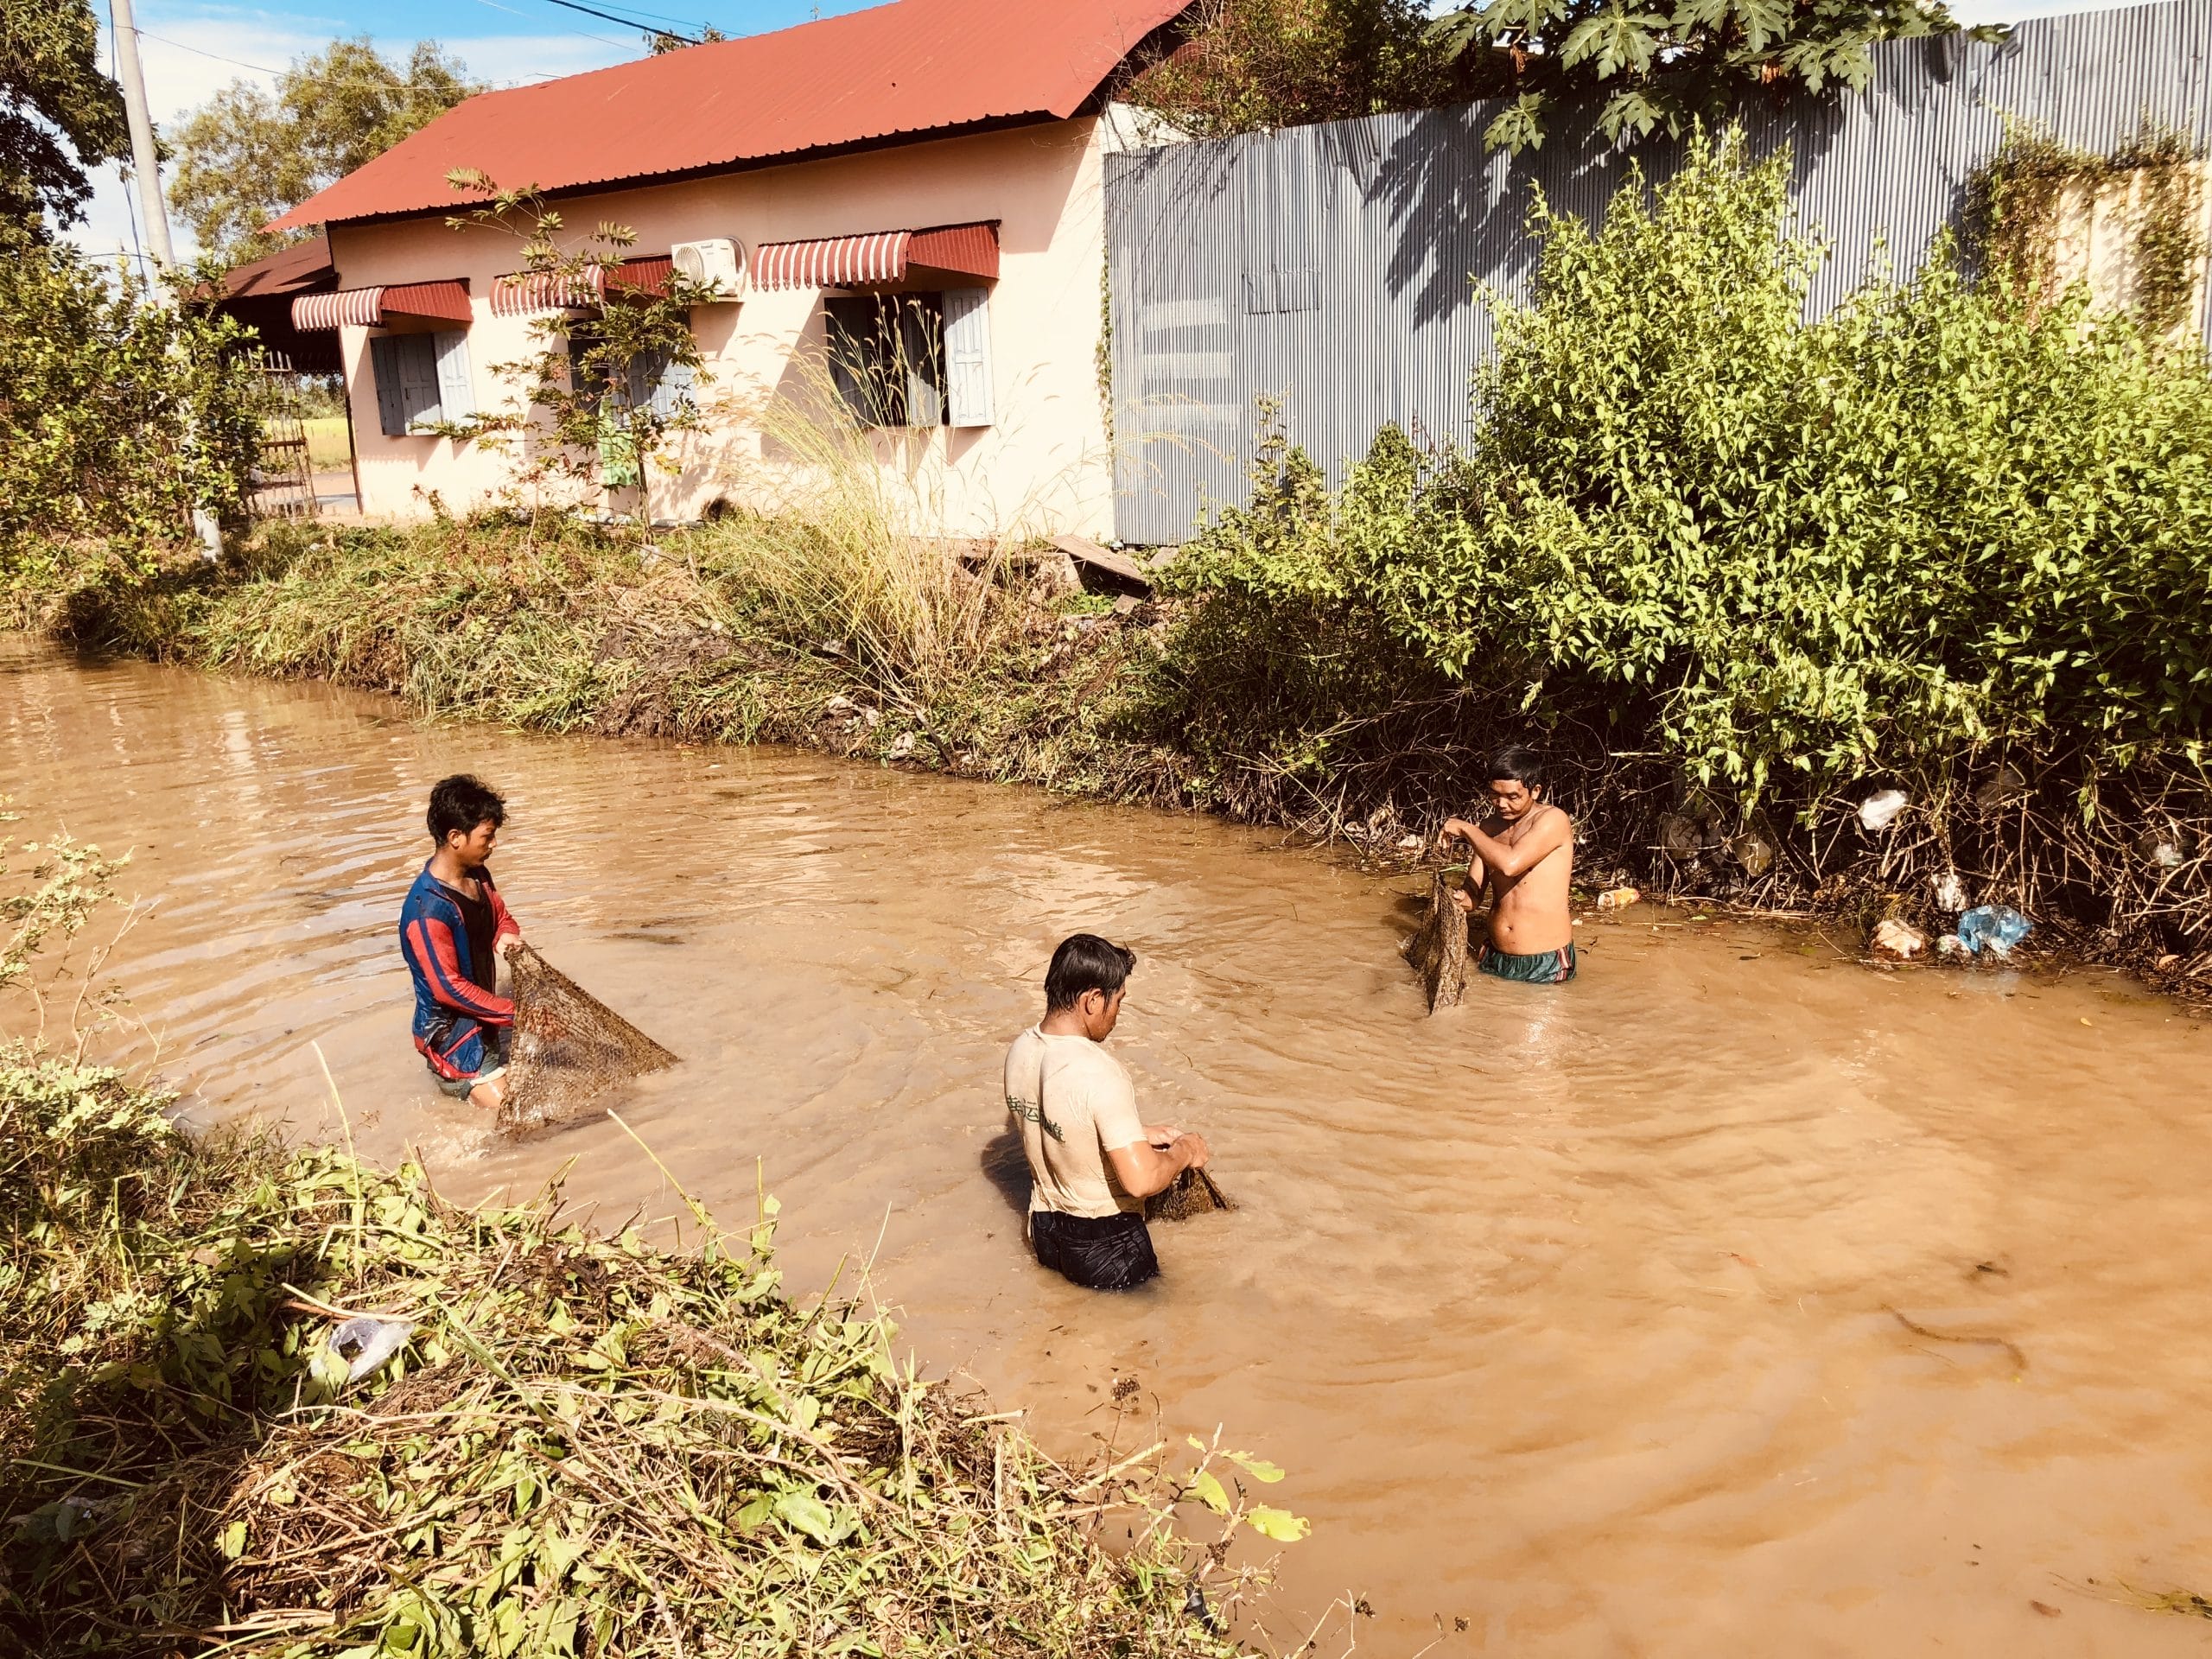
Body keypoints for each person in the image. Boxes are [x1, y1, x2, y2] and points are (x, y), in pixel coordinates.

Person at [1002, 934, 1211, 1291]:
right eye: (1118, 1001)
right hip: (1107, 1247)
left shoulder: (1021, 1051)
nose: (1117, 1014)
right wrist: (1185, 1151)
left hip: (1044, 1232)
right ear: (1093, 1000)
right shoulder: (1099, 1070)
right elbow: (1142, 1181)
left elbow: (1060, 1124)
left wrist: (1139, 1135)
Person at [399, 775, 524, 1108]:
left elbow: (500, 916)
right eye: (487, 836)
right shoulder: (427, 911)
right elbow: (448, 989)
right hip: (453, 1041)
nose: (493, 844)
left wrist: (505, 934)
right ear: (456, 837)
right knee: (520, 1116)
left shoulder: (476, 874)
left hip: (483, 1024)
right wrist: (520, 1015)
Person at [1440, 746, 1578, 985]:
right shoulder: (1489, 828)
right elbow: (1473, 898)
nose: (1501, 804)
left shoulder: (1553, 820)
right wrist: (1455, 897)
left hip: (1545, 961)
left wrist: (1466, 828)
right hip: (1494, 956)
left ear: (1535, 791)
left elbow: (1510, 864)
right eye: (1495, 795)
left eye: (1512, 797)